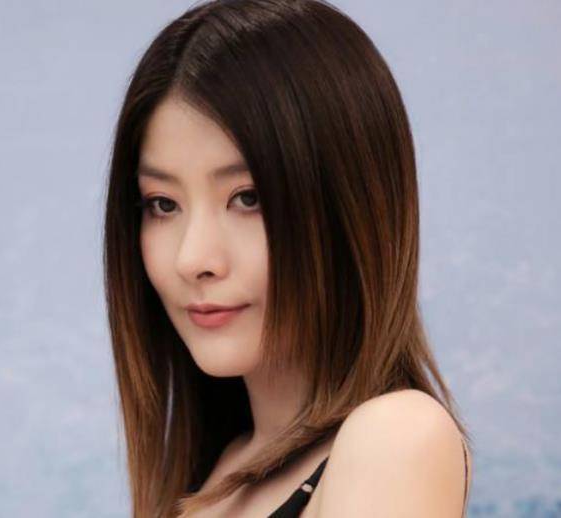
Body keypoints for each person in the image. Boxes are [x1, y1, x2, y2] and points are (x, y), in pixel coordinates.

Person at [102, 0, 473, 516]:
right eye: (163, 205)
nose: (193, 258)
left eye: (247, 198)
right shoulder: (213, 476)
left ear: (350, 207)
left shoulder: (395, 437)